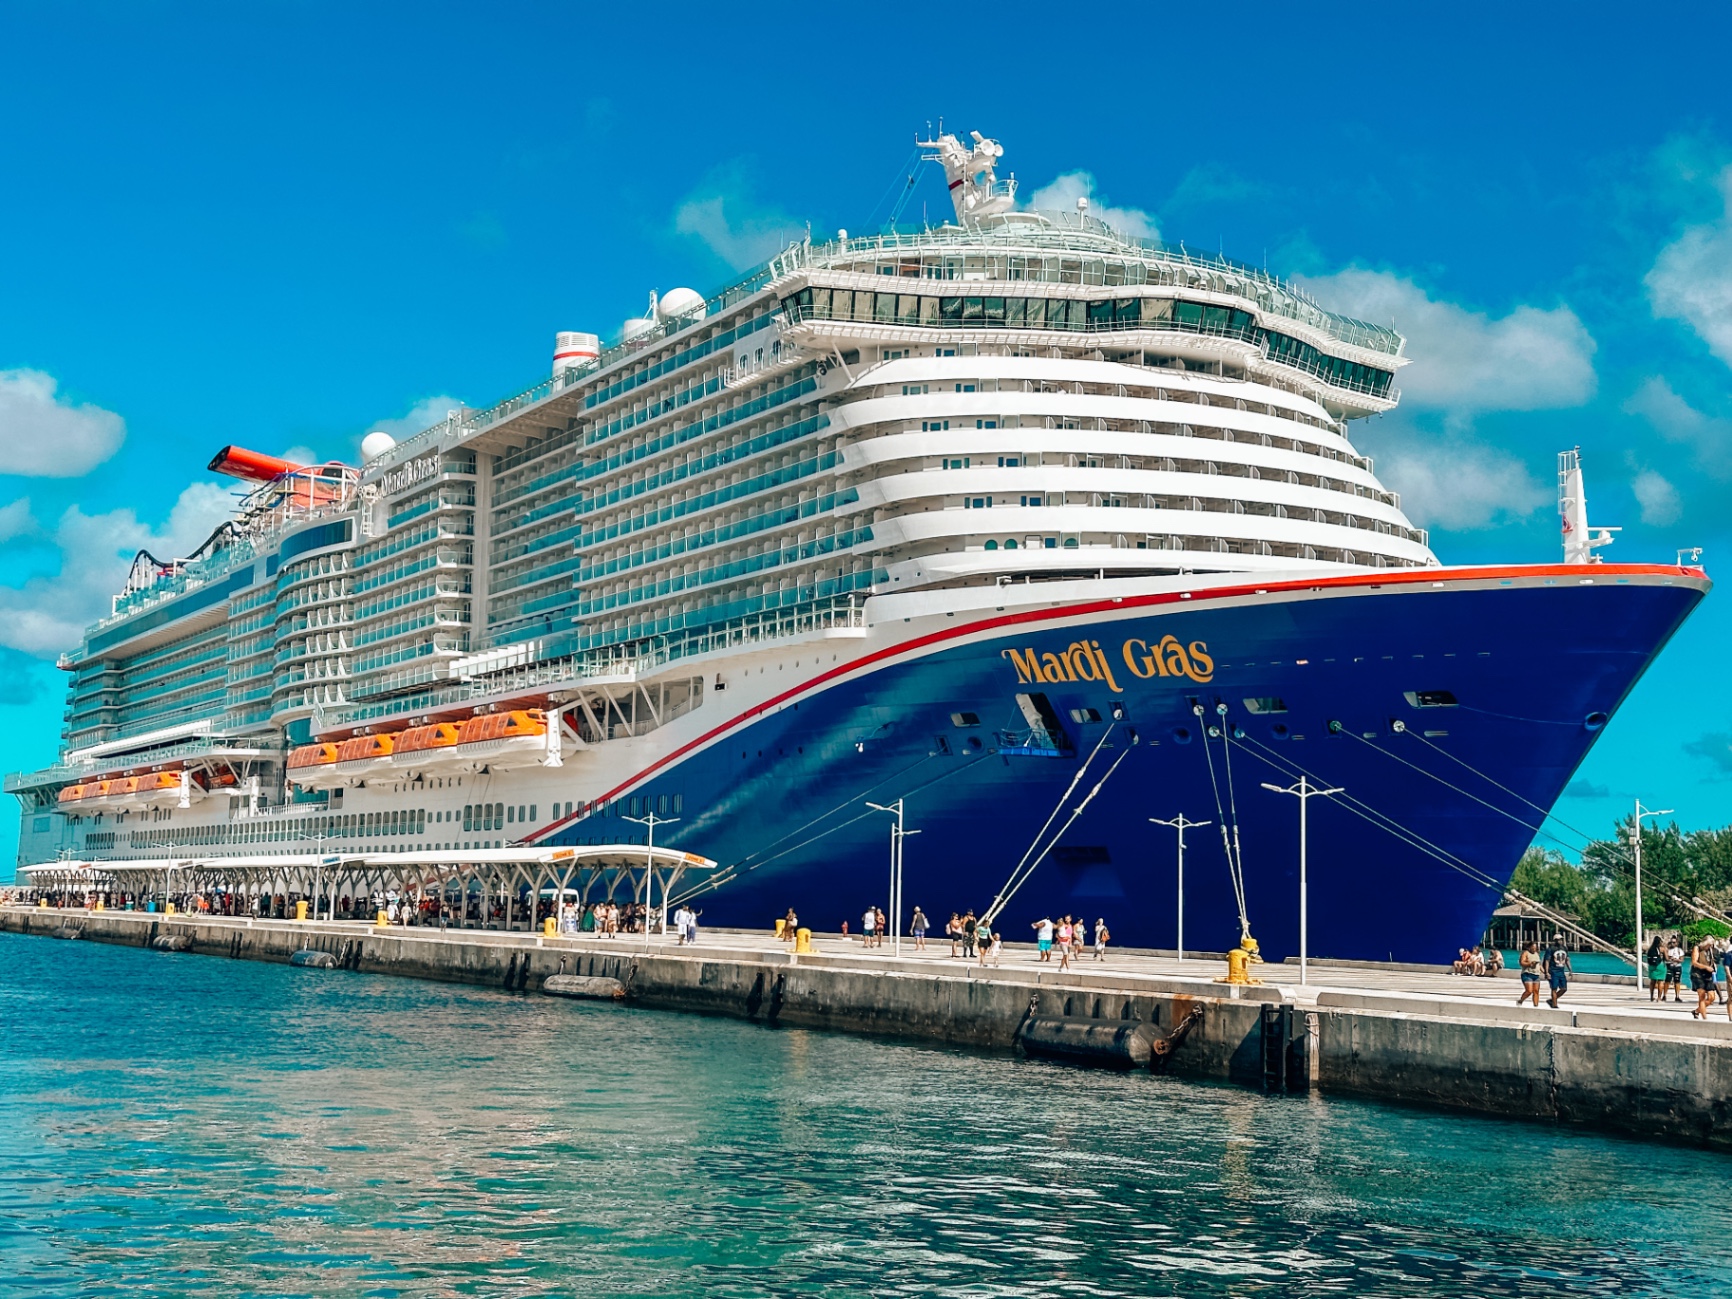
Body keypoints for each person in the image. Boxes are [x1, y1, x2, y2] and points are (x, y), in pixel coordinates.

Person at [1691, 935, 1720, 1019]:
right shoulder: (1697, 948)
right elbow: (1694, 962)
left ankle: (1697, 1011)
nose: (1710, 946)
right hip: (1698, 973)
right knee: (1702, 995)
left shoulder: (1711, 951)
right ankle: (1704, 1018)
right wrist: (1706, 967)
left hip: (1708, 974)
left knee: (1711, 997)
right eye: (1709, 944)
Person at [1544, 937, 1571, 1008]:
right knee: (1554, 988)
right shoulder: (1550, 949)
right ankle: (1554, 1005)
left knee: (1564, 988)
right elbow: (1547, 961)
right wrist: (1547, 972)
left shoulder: (1564, 948)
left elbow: (1567, 959)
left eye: (1561, 939)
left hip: (1561, 971)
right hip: (1553, 970)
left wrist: (1570, 970)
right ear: (1555, 941)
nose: (1559, 941)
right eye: (1558, 940)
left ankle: (1551, 1000)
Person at [1516, 941, 1542, 1007]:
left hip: (1536, 975)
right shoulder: (1525, 953)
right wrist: (1530, 964)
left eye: (1535, 948)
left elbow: (1539, 965)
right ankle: (1521, 1000)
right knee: (1529, 991)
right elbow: (1521, 962)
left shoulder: (1537, 954)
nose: (1534, 949)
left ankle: (1536, 1005)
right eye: (1533, 947)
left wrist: (1545, 972)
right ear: (1529, 947)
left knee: (1536, 991)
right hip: (1527, 974)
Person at [1645, 934, 1666, 1000]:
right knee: (1660, 981)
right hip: (1660, 966)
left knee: (1652, 981)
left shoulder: (1650, 949)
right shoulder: (1662, 949)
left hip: (1651, 966)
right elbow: (1667, 958)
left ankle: (1651, 996)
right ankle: (1659, 997)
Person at [1665, 937, 1685, 1003]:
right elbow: (1666, 958)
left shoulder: (1679, 950)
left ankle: (1677, 996)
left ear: (1677, 943)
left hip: (1677, 966)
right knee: (1667, 981)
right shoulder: (1668, 950)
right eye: (1671, 942)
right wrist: (1669, 959)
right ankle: (1664, 995)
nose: (1672, 944)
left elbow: (1682, 960)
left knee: (1677, 981)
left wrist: (1676, 960)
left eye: (1674, 942)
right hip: (1669, 966)